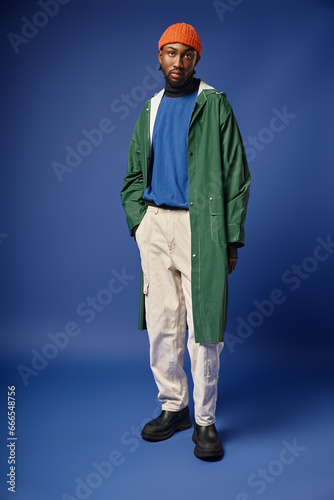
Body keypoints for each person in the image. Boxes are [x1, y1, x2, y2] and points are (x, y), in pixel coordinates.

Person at [120, 22, 251, 461]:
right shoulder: (150, 109)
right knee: (162, 323)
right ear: (159, 56)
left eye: (187, 55)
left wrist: (230, 238)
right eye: (170, 53)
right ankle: (173, 407)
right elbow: (133, 177)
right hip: (156, 225)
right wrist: (141, 223)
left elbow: (237, 177)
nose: (178, 62)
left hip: (202, 228)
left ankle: (205, 422)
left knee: (204, 329)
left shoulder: (215, 105)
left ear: (197, 60)